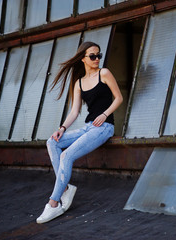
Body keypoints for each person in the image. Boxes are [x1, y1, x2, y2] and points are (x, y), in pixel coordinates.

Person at [36, 41, 123, 224]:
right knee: (52, 142)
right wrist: (61, 129)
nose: (97, 59)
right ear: (83, 58)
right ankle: (65, 188)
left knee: (67, 156)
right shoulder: (79, 83)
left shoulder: (104, 73)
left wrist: (105, 114)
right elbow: (75, 112)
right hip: (89, 127)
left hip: (104, 127)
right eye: (93, 56)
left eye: (99, 55)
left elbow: (119, 97)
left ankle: (53, 204)